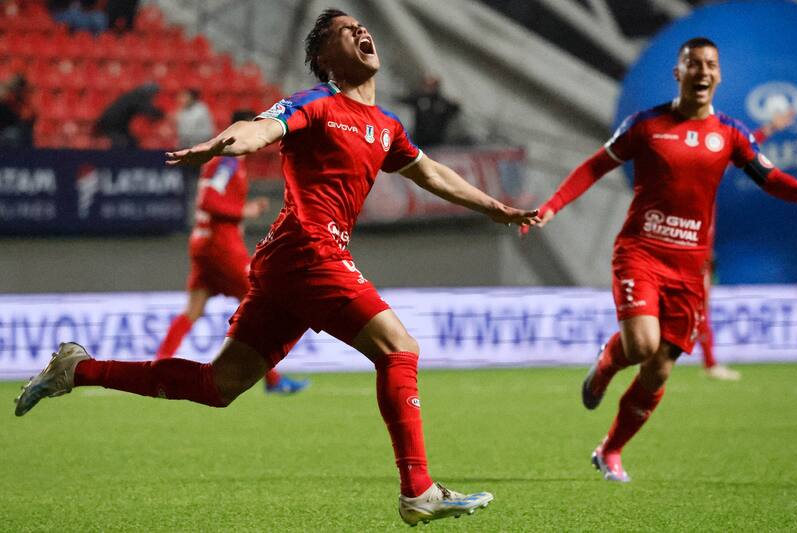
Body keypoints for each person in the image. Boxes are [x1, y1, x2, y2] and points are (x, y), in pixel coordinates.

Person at [15, 9, 539, 526]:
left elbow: (431, 172)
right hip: (309, 249)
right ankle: (418, 489)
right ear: (323, 59)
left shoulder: (387, 126)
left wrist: (495, 208)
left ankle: (76, 369)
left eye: (359, 25)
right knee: (399, 348)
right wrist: (227, 143)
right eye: (340, 32)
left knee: (219, 386)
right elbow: (262, 127)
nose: (358, 30)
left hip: (288, 262)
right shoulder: (318, 103)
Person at [531, 37, 797, 483]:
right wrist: (553, 206)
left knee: (657, 372)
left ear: (719, 75)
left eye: (710, 65)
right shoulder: (645, 124)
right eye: (693, 64)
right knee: (639, 346)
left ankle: (610, 450)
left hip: (691, 266)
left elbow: (770, 179)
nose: (702, 71)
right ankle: (606, 364)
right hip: (642, 251)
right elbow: (596, 166)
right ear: (678, 73)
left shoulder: (731, 134)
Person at [156, 109, 309, 395]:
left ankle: (160, 365)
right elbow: (211, 202)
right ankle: (274, 380)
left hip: (203, 242)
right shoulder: (228, 161)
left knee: (193, 310)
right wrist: (245, 210)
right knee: (260, 304)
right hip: (220, 245)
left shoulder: (217, 159)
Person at [698, 107, 796, 381]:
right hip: (676, 249)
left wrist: (771, 128)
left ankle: (709, 363)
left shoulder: (710, 166)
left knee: (698, 308)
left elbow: (744, 148)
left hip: (698, 253)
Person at [398, 75, 461, 148]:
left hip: (437, 141)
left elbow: (455, 109)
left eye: (432, 86)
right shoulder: (418, 98)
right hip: (419, 139)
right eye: (427, 85)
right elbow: (404, 100)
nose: (429, 88)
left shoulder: (442, 102)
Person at [95, 82, 163, 148]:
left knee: (130, 141)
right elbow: (147, 111)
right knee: (123, 143)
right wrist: (161, 114)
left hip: (119, 124)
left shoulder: (133, 95)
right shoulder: (137, 97)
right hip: (113, 124)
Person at [0, 73, 34, 147]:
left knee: (12, 135)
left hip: (18, 127)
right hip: (6, 126)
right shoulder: (7, 98)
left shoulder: (23, 98)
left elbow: (27, 115)